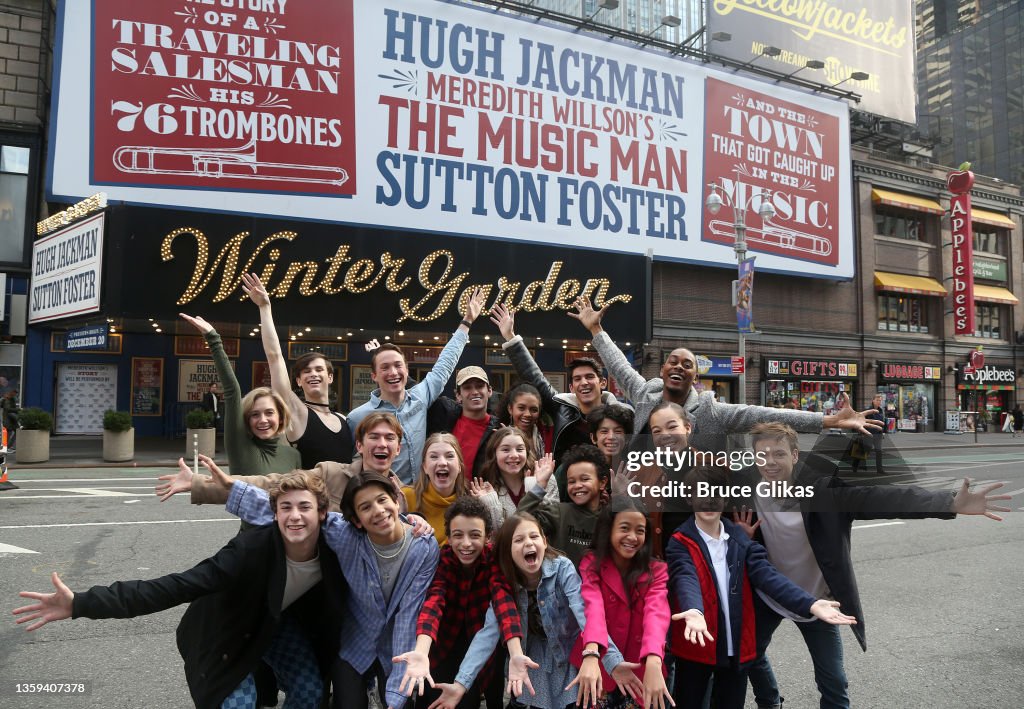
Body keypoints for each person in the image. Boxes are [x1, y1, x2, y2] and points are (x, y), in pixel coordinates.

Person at [734, 422, 1011, 709]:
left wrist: (949, 503)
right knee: (749, 656)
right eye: (762, 455)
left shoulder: (826, 492)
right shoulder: (747, 491)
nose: (770, 462)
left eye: (778, 454)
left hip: (819, 600)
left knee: (833, 683)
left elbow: (884, 497)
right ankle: (769, 702)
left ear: (794, 455)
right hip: (771, 596)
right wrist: (742, 538)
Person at [14, 471, 345, 709]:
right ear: (274, 515)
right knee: (238, 704)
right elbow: (175, 586)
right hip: (224, 633)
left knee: (309, 691)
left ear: (322, 513)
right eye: (286, 508)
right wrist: (81, 603)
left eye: (304, 507)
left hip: (276, 622)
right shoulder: (249, 550)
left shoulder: (334, 551)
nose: (295, 517)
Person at [226, 469, 440, 709]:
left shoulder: (424, 547)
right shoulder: (347, 537)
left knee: (399, 700)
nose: (378, 511)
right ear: (356, 519)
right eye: (366, 507)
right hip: (355, 640)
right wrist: (228, 489)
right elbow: (299, 515)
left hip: (396, 644)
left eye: (382, 500)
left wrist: (396, 698)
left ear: (397, 500)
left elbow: (408, 615)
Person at [666, 466, 857, 709]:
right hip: (697, 648)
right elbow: (685, 578)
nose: (708, 499)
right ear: (689, 497)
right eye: (700, 492)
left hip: (736, 651)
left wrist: (810, 603)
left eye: (715, 492)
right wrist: (694, 610)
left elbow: (768, 576)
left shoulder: (739, 538)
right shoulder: (680, 541)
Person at [568, 295, 881, 441]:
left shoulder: (710, 411)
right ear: (662, 370)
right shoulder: (644, 392)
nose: (678, 367)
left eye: (687, 365)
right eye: (673, 362)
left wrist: (828, 420)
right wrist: (596, 331)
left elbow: (766, 415)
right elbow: (619, 365)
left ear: (695, 377)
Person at [430, 513, 606, 709]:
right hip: (530, 662)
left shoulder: (562, 568)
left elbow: (586, 614)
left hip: (567, 657)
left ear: (545, 541)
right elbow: (487, 635)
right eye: (519, 539)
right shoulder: (505, 584)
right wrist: (460, 683)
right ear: (508, 551)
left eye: (534, 536)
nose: (528, 543)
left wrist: (598, 657)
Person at [393, 495, 523, 709]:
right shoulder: (443, 559)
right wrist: (421, 651)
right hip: (443, 645)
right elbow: (434, 602)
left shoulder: (493, 561)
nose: (466, 544)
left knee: (472, 698)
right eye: (458, 535)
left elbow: (504, 601)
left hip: (478, 646)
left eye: (474, 535)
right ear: (449, 538)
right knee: (432, 698)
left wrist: (516, 652)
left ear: (487, 536)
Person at [349, 288, 486, 484]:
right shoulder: (357, 417)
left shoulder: (420, 397)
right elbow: (352, 461)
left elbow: (444, 365)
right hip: (382, 497)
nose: (393, 373)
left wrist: (467, 322)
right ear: (374, 376)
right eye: (385, 368)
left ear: (406, 370)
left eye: (398, 366)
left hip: (420, 495)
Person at [159, 412, 408, 515]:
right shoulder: (332, 474)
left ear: (398, 449)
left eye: (389, 438)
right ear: (360, 446)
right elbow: (272, 484)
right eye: (373, 437)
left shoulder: (403, 497)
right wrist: (198, 483)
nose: (382, 444)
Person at [491, 302, 628, 465]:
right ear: (571, 387)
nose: (584, 382)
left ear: (603, 382)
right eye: (577, 379)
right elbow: (534, 376)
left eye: (589, 377)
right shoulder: (562, 409)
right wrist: (510, 337)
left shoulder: (622, 416)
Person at [241, 272, 355, 468]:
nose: (313, 374)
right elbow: (275, 357)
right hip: (309, 497)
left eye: (319, 369)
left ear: (329, 377)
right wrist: (265, 308)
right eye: (306, 371)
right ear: (298, 381)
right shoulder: (297, 413)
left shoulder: (345, 420)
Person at [575, 496, 673, 709]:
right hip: (600, 665)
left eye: (640, 530)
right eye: (624, 528)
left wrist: (655, 661)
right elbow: (593, 609)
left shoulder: (657, 570)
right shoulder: (592, 564)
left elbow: (656, 613)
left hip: (642, 668)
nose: (632, 536)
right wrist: (591, 653)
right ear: (608, 529)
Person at [174, 314, 301, 477]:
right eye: (255, 414)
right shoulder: (240, 446)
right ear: (246, 420)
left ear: (281, 418)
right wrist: (213, 338)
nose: (262, 420)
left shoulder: (294, 456)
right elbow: (232, 391)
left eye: (269, 413)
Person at [517, 444, 610, 568]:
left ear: (602, 482)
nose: (577, 485)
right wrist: (539, 486)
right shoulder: (559, 512)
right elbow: (520, 520)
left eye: (585, 479)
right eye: (571, 481)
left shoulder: (610, 519)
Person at [473, 427, 559, 530]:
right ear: (494, 454)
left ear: (527, 452)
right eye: (505, 449)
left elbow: (550, 526)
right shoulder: (486, 492)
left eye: (520, 449)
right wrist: (492, 505)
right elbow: (498, 538)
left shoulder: (547, 478)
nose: (514, 455)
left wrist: (538, 488)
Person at [426, 366, 502, 478]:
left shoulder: (499, 428)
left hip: (480, 494)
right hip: (444, 492)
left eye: (480, 386)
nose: (475, 392)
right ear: (458, 395)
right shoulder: (443, 416)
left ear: (489, 391)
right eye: (467, 388)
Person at [403, 433, 468, 545]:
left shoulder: (471, 504)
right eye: (433, 457)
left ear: (459, 467)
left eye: (449, 456)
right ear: (425, 467)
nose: (442, 462)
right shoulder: (405, 497)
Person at [499, 382, 553, 460]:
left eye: (534, 410)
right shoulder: (500, 438)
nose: (528, 414)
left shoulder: (548, 435)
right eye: (521, 408)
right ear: (510, 409)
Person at [852, 393, 886, 474]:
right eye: (877, 400)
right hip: (868, 434)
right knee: (865, 451)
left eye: (880, 400)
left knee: (879, 451)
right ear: (873, 400)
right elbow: (861, 422)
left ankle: (879, 470)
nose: (879, 402)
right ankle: (855, 465)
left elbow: (881, 422)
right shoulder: (868, 411)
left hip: (878, 435)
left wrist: (882, 432)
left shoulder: (881, 411)